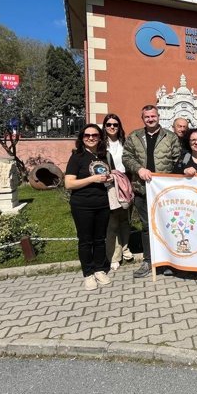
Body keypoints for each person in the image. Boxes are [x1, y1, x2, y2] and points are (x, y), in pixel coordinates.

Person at [123, 105, 182, 278]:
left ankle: (170, 261)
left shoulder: (169, 137)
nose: (150, 119)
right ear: (143, 118)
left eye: (153, 116)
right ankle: (149, 261)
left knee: (168, 225)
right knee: (147, 227)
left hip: (164, 191)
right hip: (142, 189)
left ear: (158, 117)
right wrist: (139, 169)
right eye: (147, 117)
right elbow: (127, 157)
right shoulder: (134, 136)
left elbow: (177, 160)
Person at [65, 124, 113, 291]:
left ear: (100, 138)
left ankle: (99, 269)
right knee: (86, 240)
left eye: (94, 135)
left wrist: (110, 178)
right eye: (87, 135)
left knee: (100, 239)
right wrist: (92, 180)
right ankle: (88, 273)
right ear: (82, 137)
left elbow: (107, 175)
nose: (91, 138)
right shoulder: (77, 157)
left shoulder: (103, 156)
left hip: (102, 203)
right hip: (82, 205)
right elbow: (69, 183)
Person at [102, 113, 134, 272]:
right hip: (110, 186)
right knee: (113, 221)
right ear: (105, 127)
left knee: (125, 219)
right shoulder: (102, 145)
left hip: (126, 184)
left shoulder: (125, 143)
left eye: (115, 124)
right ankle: (114, 256)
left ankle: (125, 248)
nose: (112, 127)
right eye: (109, 124)